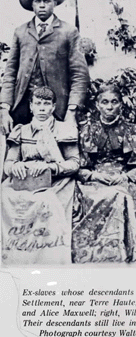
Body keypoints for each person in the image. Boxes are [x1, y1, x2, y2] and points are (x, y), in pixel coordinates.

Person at [72, 84, 136, 263]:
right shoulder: (87, 129)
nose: (109, 107)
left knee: (122, 195)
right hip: (95, 179)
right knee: (102, 195)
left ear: (121, 104)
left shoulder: (132, 129)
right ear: (97, 105)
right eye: (104, 102)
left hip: (125, 177)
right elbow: (79, 167)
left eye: (114, 102)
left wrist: (125, 176)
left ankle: (123, 250)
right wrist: (94, 176)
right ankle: (97, 250)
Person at [1, 87, 80, 264]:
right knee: (5, 196)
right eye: (38, 104)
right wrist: (16, 166)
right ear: (31, 107)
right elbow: (8, 163)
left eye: (46, 104)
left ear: (53, 107)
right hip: (24, 181)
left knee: (46, 201)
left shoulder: (64, 129)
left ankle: (48, 257)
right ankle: (16, 254)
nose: (42, 109)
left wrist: (50, 167)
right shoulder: (21, 131)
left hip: (56, 182)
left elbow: (74, 163)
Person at [0, 0, 90, 135]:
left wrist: (71, 111)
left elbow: (79, 74)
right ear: (32, 5)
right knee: (19, 151)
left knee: (57, 153)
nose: (42, 5)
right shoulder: (21, 32)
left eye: (46, 1)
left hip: (57, 108)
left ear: (55, 4)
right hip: (22, 107)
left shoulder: (68, 31)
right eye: (38, 1)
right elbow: (10, 72)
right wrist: (4, 109)